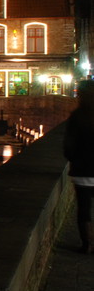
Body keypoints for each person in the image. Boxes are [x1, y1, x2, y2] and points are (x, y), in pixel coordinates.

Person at [63, 80, 94, 253]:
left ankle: (87, 244)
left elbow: (68, 146)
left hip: (83, 170)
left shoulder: (78, 116)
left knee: (84, 208)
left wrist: (74, 159)